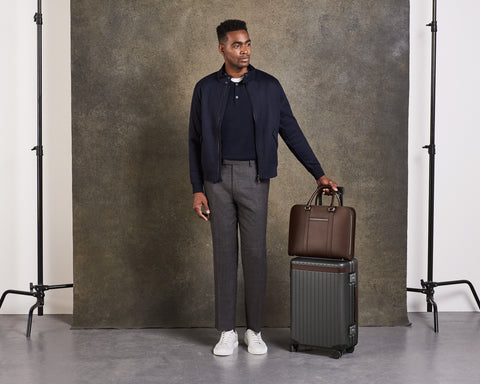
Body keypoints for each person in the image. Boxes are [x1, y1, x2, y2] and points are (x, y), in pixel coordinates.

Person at [188, 19, 337, 356]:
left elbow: (291, 130)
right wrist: (197, 188)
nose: (245, 50)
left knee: (255, 255)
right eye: (237, 45)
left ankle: (254, 331)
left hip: (255, 178)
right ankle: (227, 330)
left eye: (248, 44)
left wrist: (319, 173)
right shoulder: (206, 88)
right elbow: (194, 140)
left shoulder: (269, 86)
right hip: (215, 179)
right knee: (224, 256)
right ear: (222, 48)